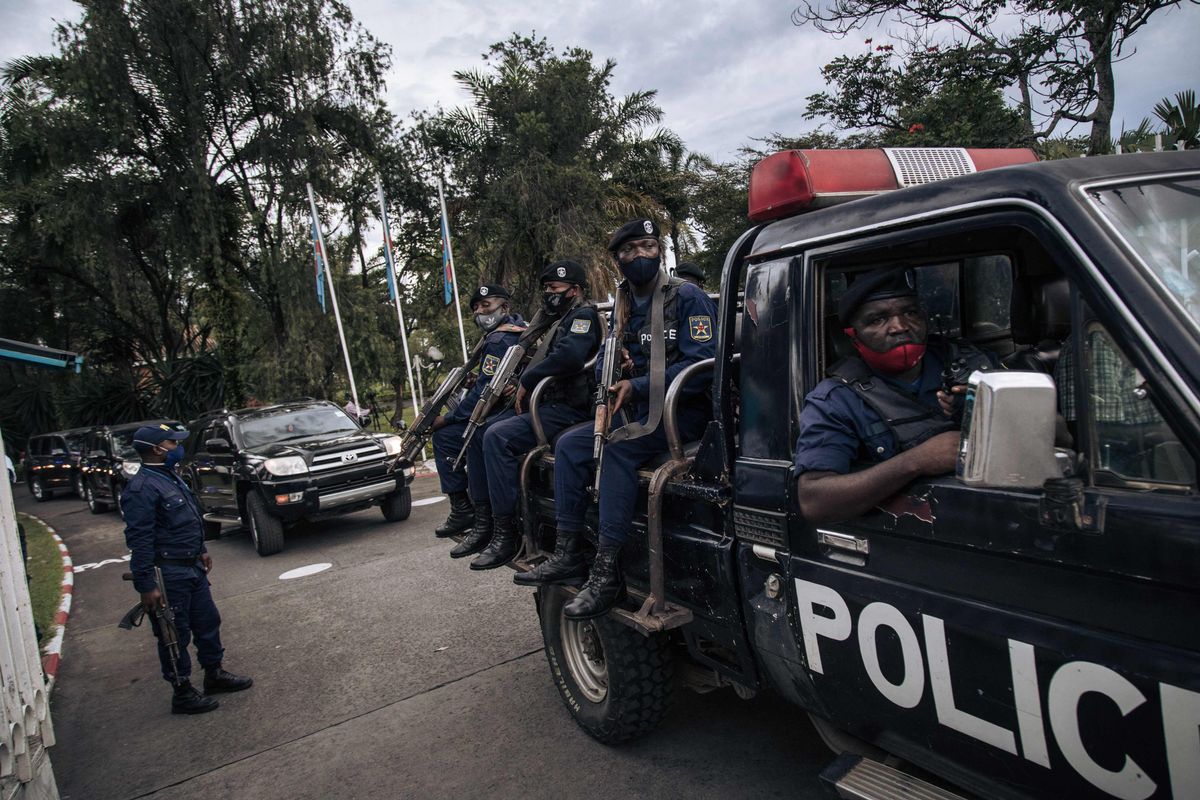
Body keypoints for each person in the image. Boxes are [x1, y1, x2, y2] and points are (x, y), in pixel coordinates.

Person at [524, 219, 717, 619]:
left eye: (647, 246)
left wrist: (639, 386)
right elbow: (606, 363)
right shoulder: (624, 301)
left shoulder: (687, 297)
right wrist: (618, 373)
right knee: (571, 445)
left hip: (683, 413)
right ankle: (569, 550)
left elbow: (702, 366)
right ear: (618, 260)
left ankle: (607, 572)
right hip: (639, 411)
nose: (639, 255)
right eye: (628, 251)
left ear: (659, 251)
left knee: (617, 451)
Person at [793, 266, 997, 525]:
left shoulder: (972, 363)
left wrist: (986, 412)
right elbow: (814, 500)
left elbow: (1055, 432)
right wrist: (917, 461)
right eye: (877, 320)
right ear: (853, 337)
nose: (900, 326)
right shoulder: (836, 401)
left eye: (910, 313)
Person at [453, 260, 603, 567]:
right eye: (546, 289)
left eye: (555, 289)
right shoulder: (555, 321)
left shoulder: (583, 316)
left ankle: (509, 531)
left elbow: (571, 356)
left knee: (498, 436)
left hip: (570, 409)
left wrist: (528, 379)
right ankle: (492, 523)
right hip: (548, 405)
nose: (549, 294)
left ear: (574, 291)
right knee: (483, 430)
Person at [121, 423, 252, 714]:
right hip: (168, 574)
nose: (177, 447)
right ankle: (182, 691)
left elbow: (188, 518)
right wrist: (146, 585)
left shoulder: (169, 477)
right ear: (157, 449)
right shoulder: (142, 488)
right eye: (172, 443)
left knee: (207, 622)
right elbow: (139, 540)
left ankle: (214, 673)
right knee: (173, 634)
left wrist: (202, 550)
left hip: (191, 565)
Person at [431, 284, 526, 539]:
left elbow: (483, 395)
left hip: (503, 410)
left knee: (446, 436)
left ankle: (468, 510)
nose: (481, 312)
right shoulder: (518, 329)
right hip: (507, 407)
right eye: (476, 308)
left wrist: (446, 418)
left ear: (504, 307)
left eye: (486, 305)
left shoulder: (498, 338)